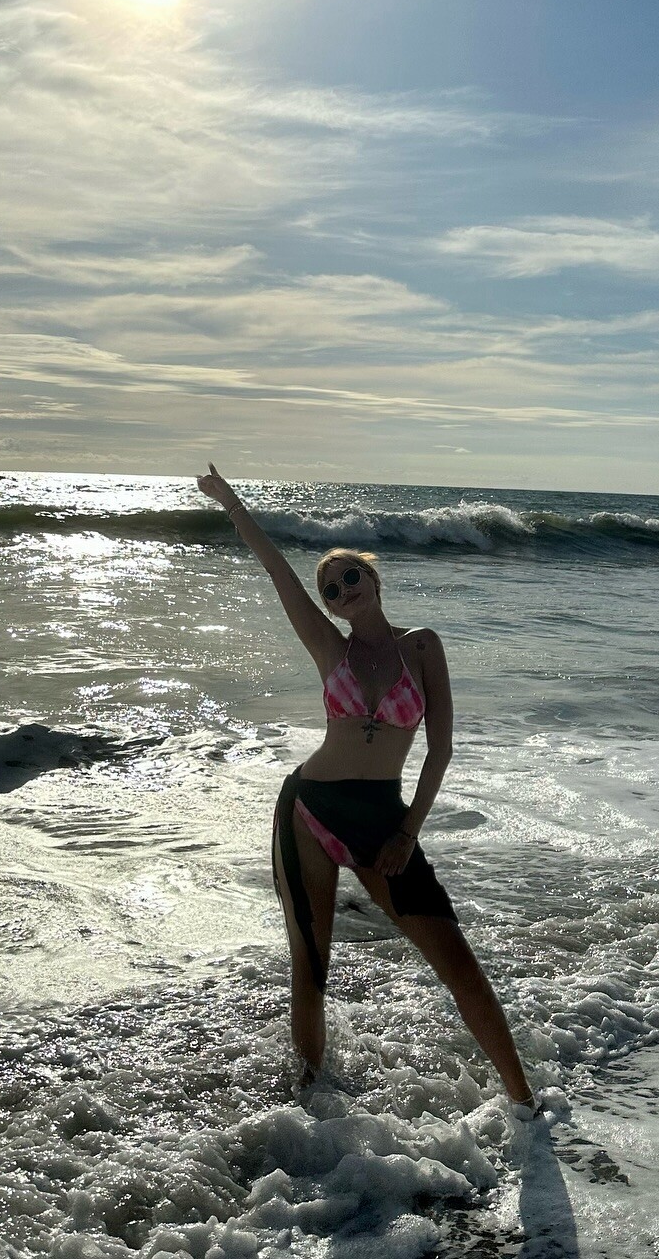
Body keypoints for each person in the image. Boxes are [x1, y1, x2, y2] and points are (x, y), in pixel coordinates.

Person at [195, 464, 538, 1115]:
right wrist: (231, 501)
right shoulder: (331, 649)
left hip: (384, 819)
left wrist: (408, 831)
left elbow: (440, 749)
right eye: (331, 588)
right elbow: (276, 570)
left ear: (375, 580)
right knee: (312, 967)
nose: (341, 589)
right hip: (309, 810)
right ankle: (309, 1110)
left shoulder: (423, 647)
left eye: (351, 576)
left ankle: (526, 1104)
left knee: (458, 965)